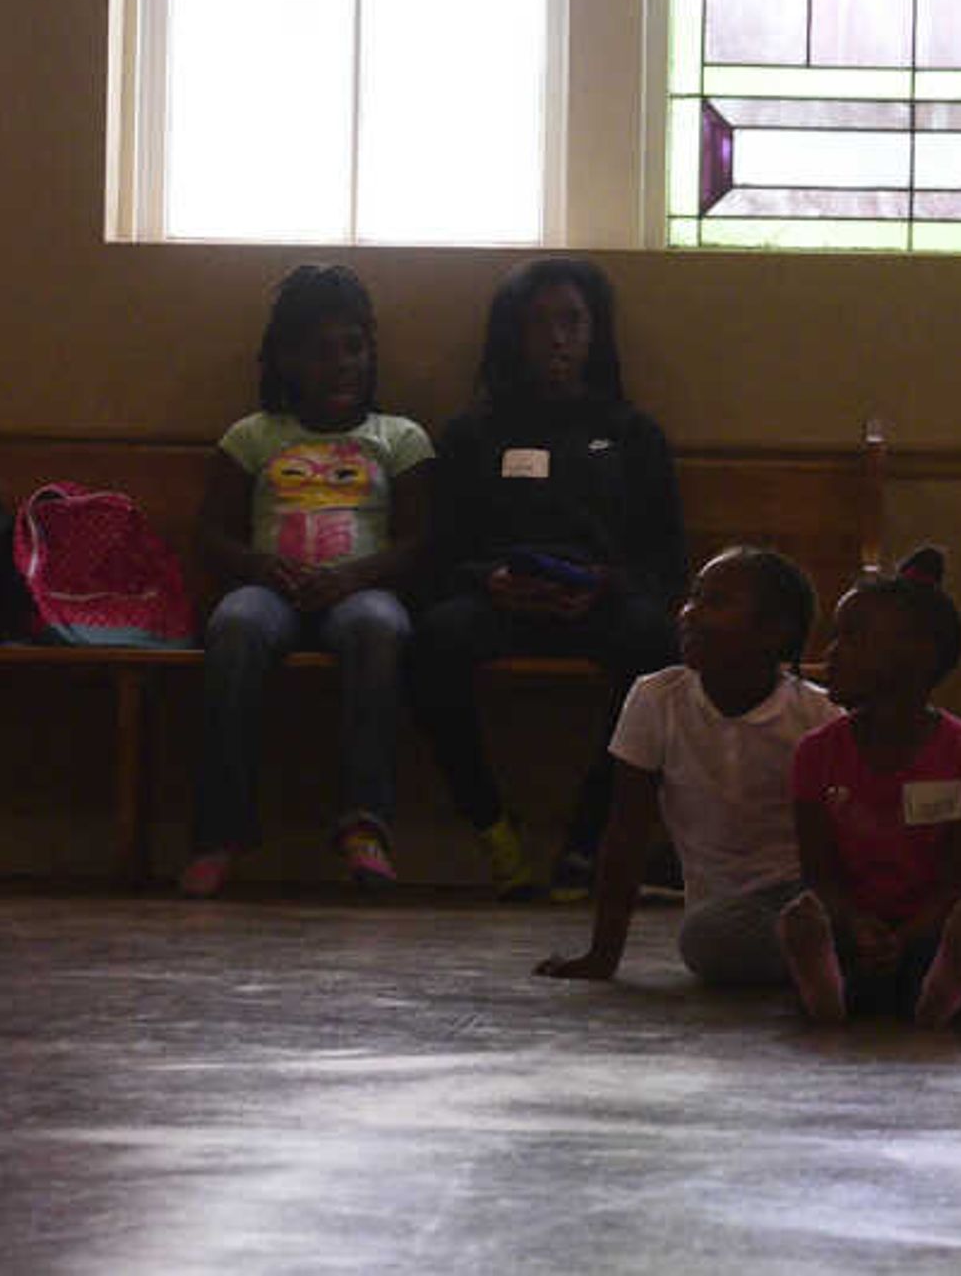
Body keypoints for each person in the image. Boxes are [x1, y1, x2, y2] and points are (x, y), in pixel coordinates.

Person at [408, 258, 687, 897]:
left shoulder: (631, 434)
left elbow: (665, 561)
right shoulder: (473, 432)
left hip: (598, 602)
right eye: (539, 324)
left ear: (595, 333)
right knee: (430, 643)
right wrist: (490, 579)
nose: (557, 338)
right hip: (497, 600)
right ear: (513, 334)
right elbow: (437, 553)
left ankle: (587, 844)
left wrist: (604, 584)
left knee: (658, 652)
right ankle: (493, 830)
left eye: (572, 322)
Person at [178, 264, 433, 898]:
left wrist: (354, 578)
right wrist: (260, 567)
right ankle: (221, 833)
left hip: (361, 591)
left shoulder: (397, 437)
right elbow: (211, 532)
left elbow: (421, 540)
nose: (343, 364)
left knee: (378, 627)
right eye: (322, 351)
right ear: (287, 359)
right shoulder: (254, 436)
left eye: (354, 347)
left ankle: (365, 826)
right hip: (272, 590)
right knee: (234, 626)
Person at [538, 546, 832, 989]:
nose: (689, 613)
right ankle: (838, 960)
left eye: (715, 603)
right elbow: (626, 834)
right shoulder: (657, 700)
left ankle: (844, 952)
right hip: (732, 914)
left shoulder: (816, 714)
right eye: (693, 596)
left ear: (773, 632)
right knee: (707, 942)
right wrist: (602, 957)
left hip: (818, 892)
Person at [783, 548, 961, 1027]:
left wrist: (906, 934)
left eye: (852, 639)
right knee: (813, 925)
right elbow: (820, 873)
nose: (831, 653)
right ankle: (828, 989)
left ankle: (940, 990)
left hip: (933, 918)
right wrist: (855, 923)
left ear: (918, 656)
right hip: (850, 918)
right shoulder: (816, 753)